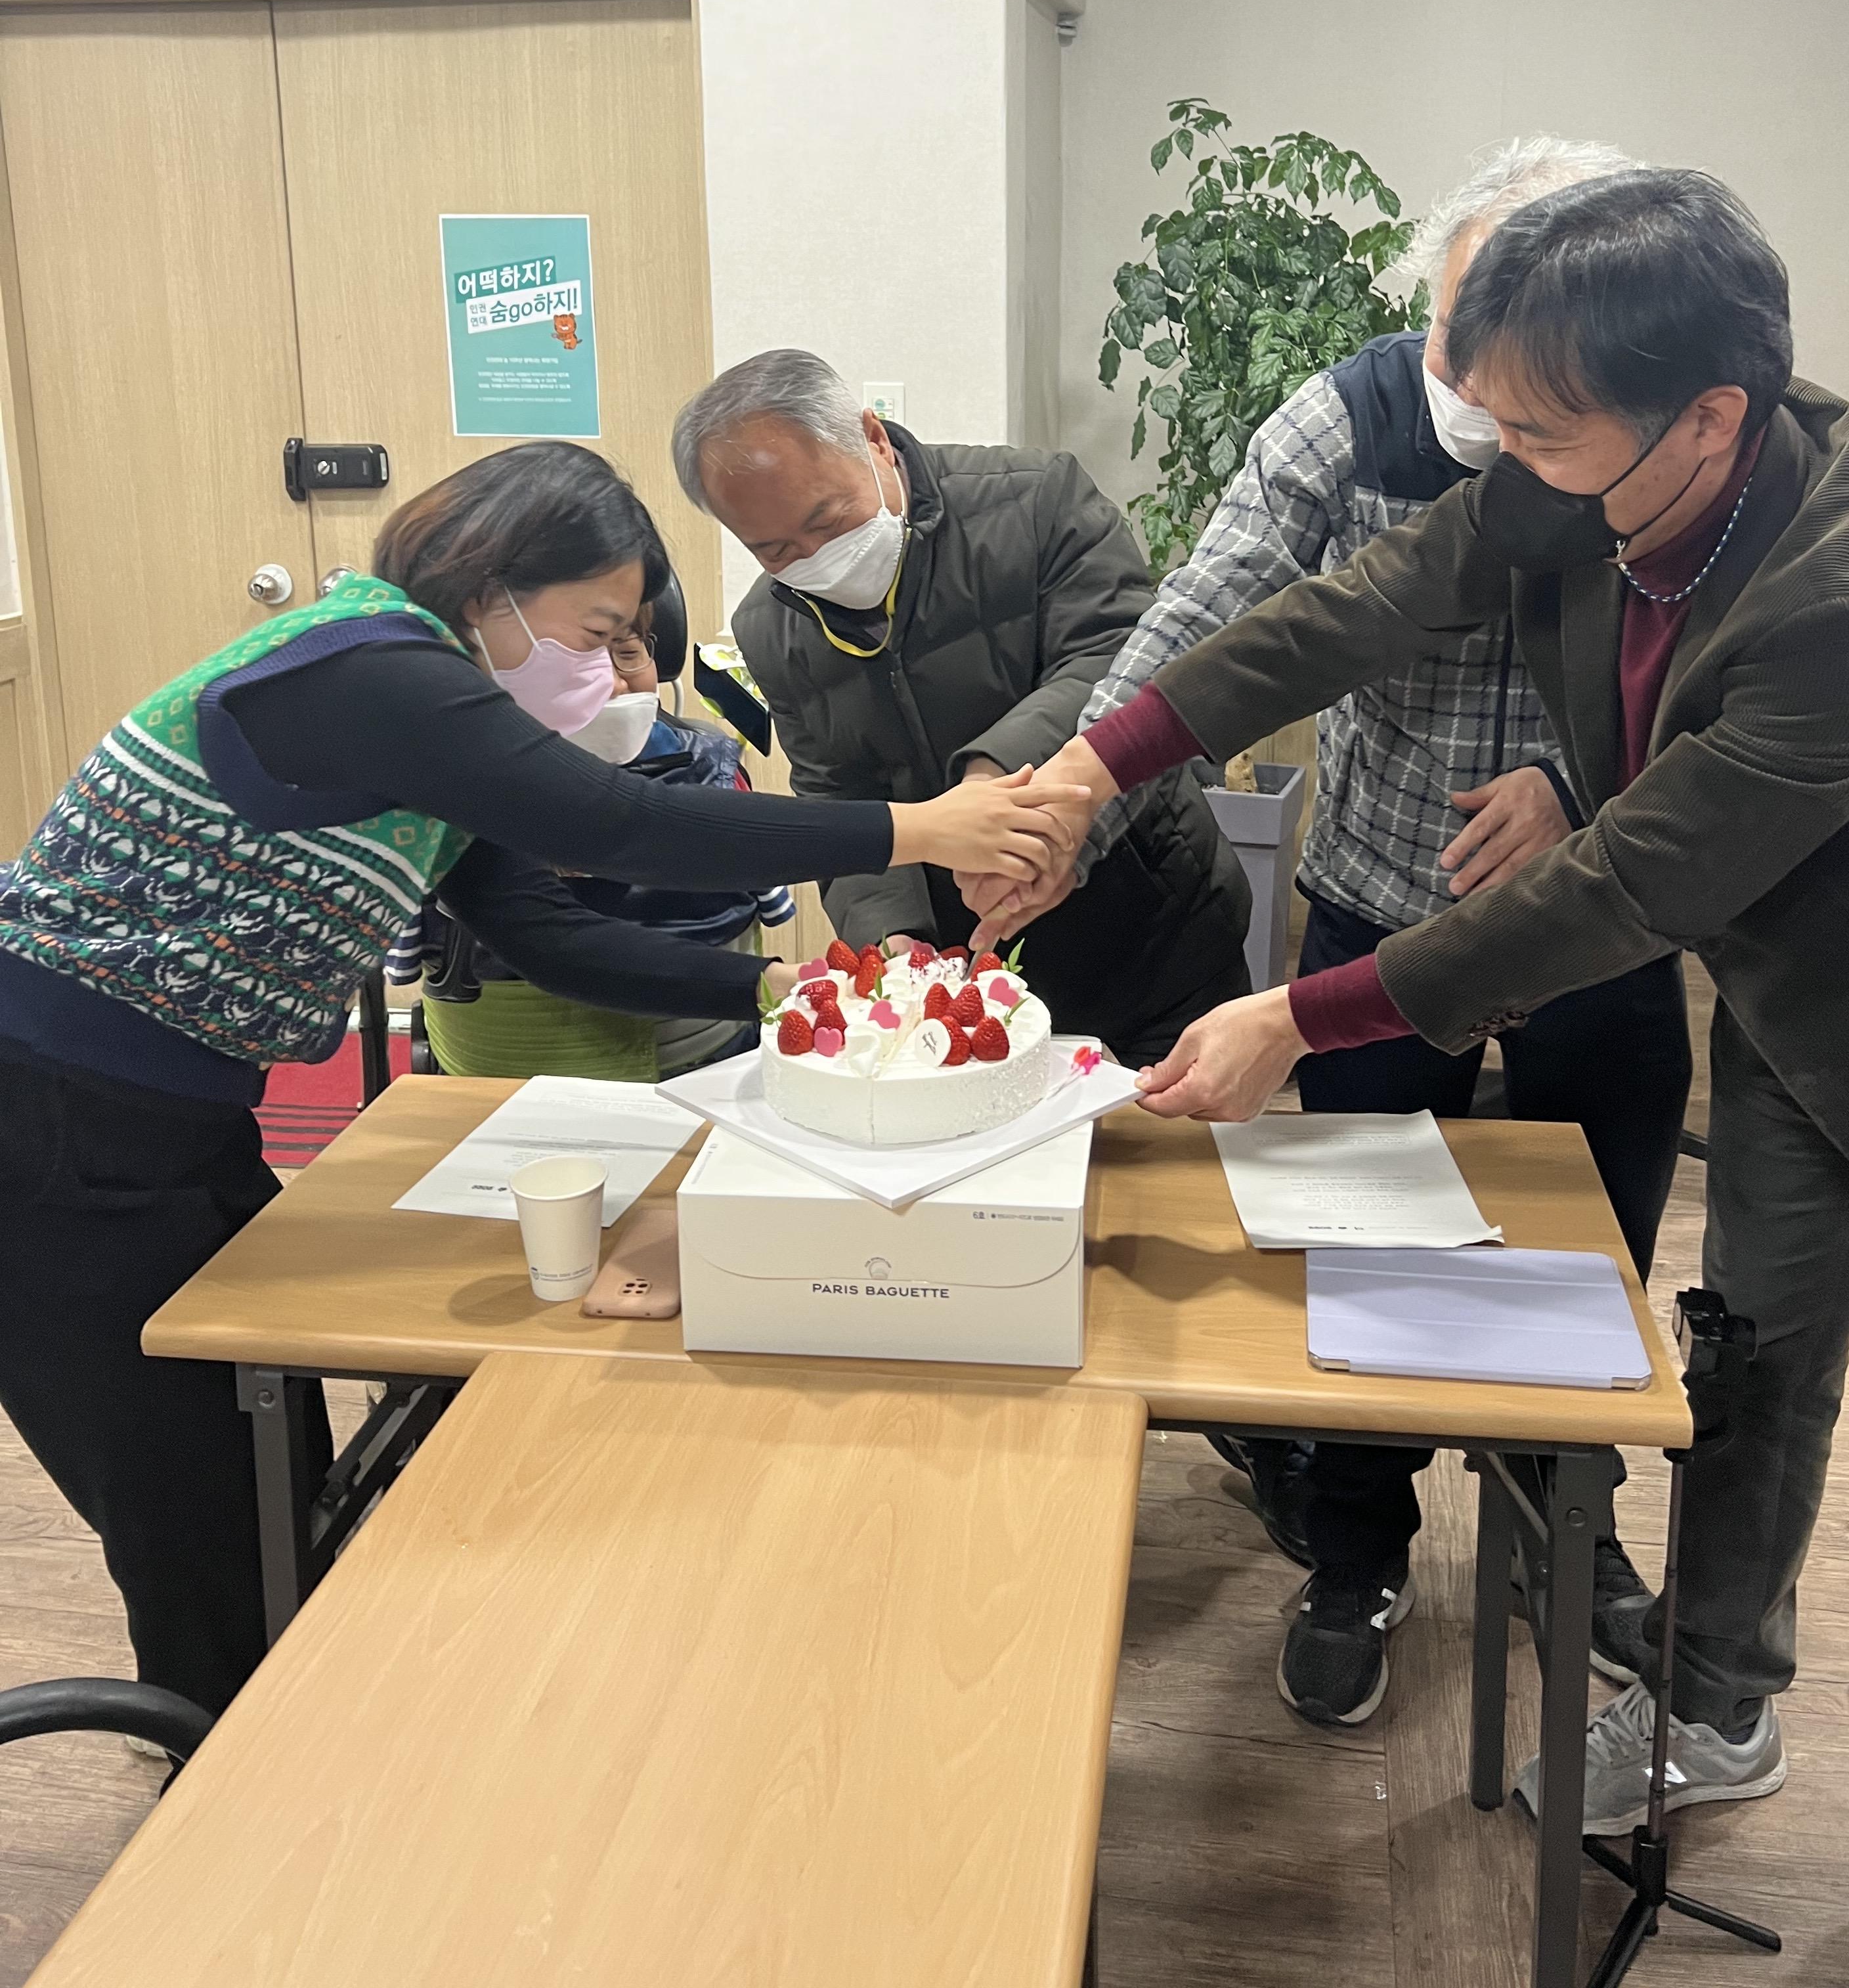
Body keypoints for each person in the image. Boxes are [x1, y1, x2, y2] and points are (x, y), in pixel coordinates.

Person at [994, 170, 1849, 1988]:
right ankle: (1714, 1704)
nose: (1504, 460)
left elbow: (1627, 885)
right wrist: (1095, 764)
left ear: (1710, 417)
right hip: (1792, 1009)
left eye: (1538, 429)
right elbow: (1350, 610)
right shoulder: (1598, 473)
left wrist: (1301, 1017)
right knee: (1750, 1372)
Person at [0, 441, 1081, 1721]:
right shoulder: (366, 666)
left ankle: (270, 1721)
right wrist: (919, 828)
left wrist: (771, 994)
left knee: (262, 1462)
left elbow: (547, 931)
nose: (613, 666)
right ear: (491, 586)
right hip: (49, 1111)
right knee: (194, 1510)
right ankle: (215, 1768)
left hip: (165, 1116)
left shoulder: (430, 734)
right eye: (598, 629)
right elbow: (619, 825)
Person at [1060, 137, 1693, 1732]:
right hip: (1377, 905)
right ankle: (1356, 1548)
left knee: (1585, 1254)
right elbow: (1217, 619)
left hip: (1598, 918)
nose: (1485, 398)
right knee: (1359, 1257)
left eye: (1534, 382)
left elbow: (1720, 687)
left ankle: (1568, 1531)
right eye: (1460, 347)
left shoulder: (1664, 446)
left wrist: (1582, 783)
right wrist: (1075, 794)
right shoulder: (1345, 423)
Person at [669, 351, 1251, 1067]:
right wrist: (894, 941)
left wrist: (990, 781)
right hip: (968, 976)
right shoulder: (771, 628)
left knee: (1170, 1130)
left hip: (1155, 930)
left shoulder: (1036, 500)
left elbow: (1122, 658)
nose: (815, 556)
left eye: (828, 519)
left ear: (873, 440)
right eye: (774, 550)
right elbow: (838, 794)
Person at [418, 608, 788, 1082]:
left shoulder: (713, 769)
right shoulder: (441, 779)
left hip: (692, 1049)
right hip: (502, 1055)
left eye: (628, 653)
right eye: (574, 663)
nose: (612, 685)